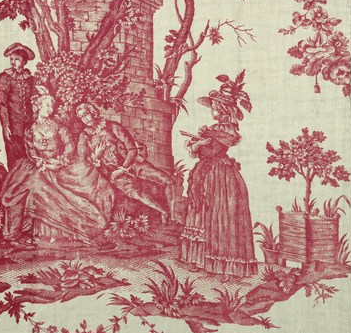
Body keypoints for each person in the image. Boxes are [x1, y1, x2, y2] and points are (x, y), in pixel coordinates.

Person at [1, 94, 114, 245]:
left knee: (70, 190)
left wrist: (62, 159)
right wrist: (43, 163)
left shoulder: (59, 128)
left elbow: (69, 146)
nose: (50, 109)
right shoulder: (30, 130)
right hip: (38, 165)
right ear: (39, 106)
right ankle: (19, 232)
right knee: (22, 189)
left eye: (51, 106)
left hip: (58, 165)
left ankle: (77, 229)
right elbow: (30, 151)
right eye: (47, 105)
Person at [180, 124, 258, 277]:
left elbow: (213, 152)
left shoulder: (226, 131)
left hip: (220, 179)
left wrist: (197, 145)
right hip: (206, 175)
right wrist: (196, 146)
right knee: (201, 216)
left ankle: (225, 267)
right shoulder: (213, 131)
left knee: (221, 217)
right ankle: (200, 261)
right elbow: (201, 154)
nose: (213, 111)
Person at [76, 103, 175, 222]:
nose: (85, 119)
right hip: (113, 173)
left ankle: (173, 216)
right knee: (135, 192)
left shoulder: (112, 126)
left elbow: (132, 149)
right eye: (81, 117)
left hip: (134, 163)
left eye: (86, 114)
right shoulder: (84, 136)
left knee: (167, 181)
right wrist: (96, 156)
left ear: (93, 112)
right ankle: (163, 213)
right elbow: (81, 160)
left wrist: (123, 168)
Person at [0, 43, 36, 169]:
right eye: (11, 59)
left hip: (29, 125)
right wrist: (5, 124)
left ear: (24, 61)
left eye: (16, 59)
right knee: (14, 157)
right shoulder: (5, 77)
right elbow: (1, 102)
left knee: (29, 157)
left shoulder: (31, 79)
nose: (13, 62)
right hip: (12, 126)